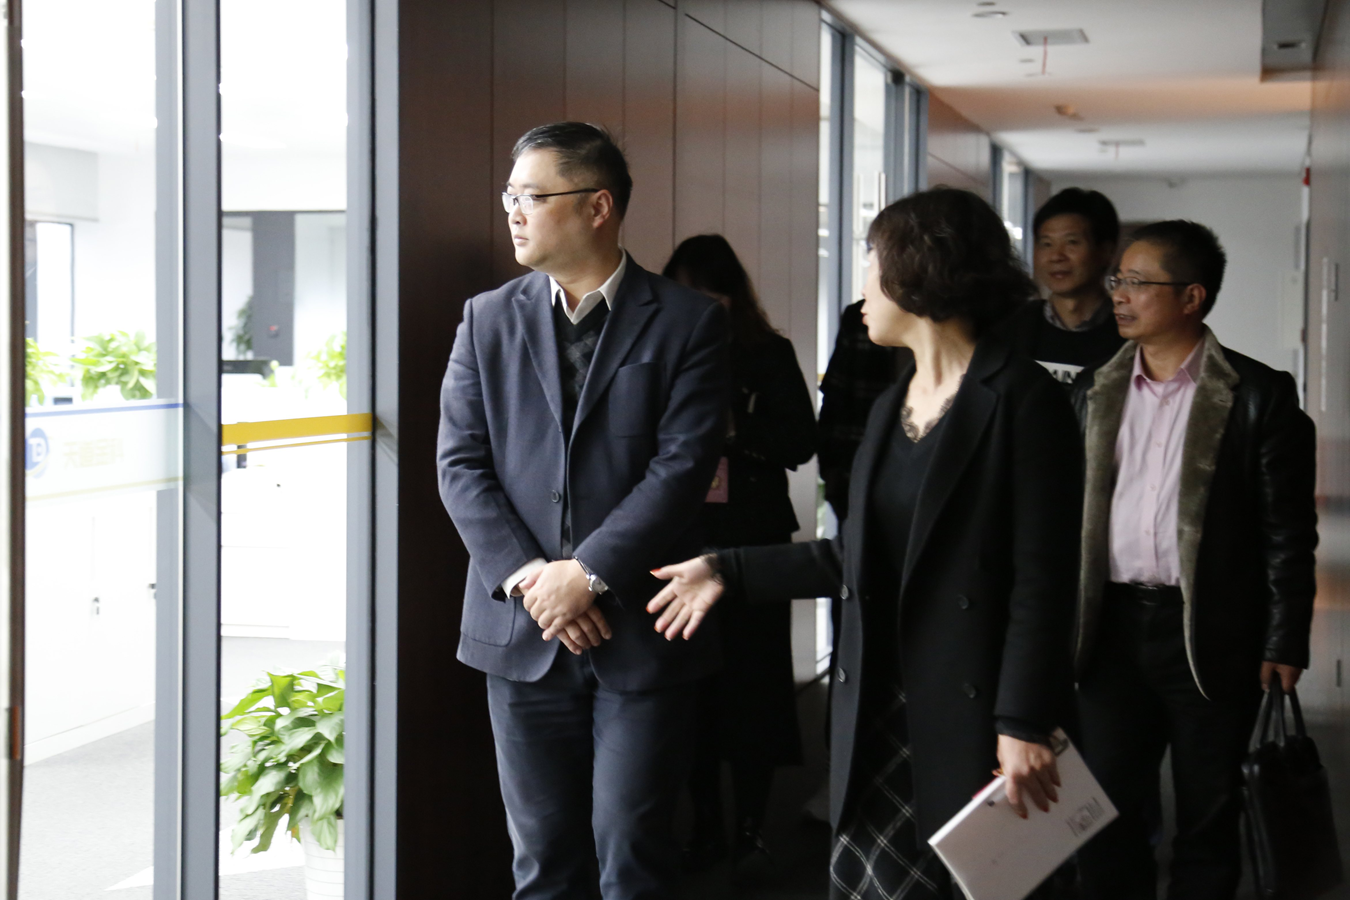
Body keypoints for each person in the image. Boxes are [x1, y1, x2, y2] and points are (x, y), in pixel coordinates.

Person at [647, 187, 1083, 899]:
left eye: (871, 264)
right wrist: (727, 570)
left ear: (919, 271)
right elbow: (859, 557)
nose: (862, 289)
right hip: (879, 701)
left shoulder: (1024, 401)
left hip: (974, 710)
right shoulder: (889, 406)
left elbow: (1045, 580)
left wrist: (1023, 720)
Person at [437, 122, 730, 900]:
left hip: (642, 626)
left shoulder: (689, 321)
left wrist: (589, 573)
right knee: (542, 860)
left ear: (598, 206)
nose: (513, 212)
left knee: (632, 849)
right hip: (522, 626)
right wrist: (538, 580)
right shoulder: (486, 319)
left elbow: (682, 469)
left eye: (531, 196)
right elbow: (460, 466)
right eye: (509, 196)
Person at [1069, 220, 1318, 900]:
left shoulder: (1258, 394)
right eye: (1117, 280)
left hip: (1211, 631)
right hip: (1110, 631)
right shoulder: (1092, 392)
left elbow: (1288, 530)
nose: (1118, 294)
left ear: (1191, 297)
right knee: (1103, 814)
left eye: (1137, 282)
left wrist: (1284, 637)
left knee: (1209, 813)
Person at [661, 234, 817, 872]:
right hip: (682, 538)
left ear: (732, 296)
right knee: (692, 691)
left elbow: (800, 441)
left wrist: (735, 428)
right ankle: (704, 827)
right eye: (686, 293)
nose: (698, 306)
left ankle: (752, 829)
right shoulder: (658, 348)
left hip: (753, 540)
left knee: (756, 689)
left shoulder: (767, 353)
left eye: (710, 294)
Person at [999, 187, 1125, 384]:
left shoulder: (1129, 335)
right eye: (1046, 244)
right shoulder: (1011, 329)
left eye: (1071, 242)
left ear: (1106, 252)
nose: (1056, 256)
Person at [818, 299, 909, 520]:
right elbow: (835, 393)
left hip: (906, 468)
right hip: (855, 466)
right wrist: (831, 468)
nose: (865, 290)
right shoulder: (859, 318)